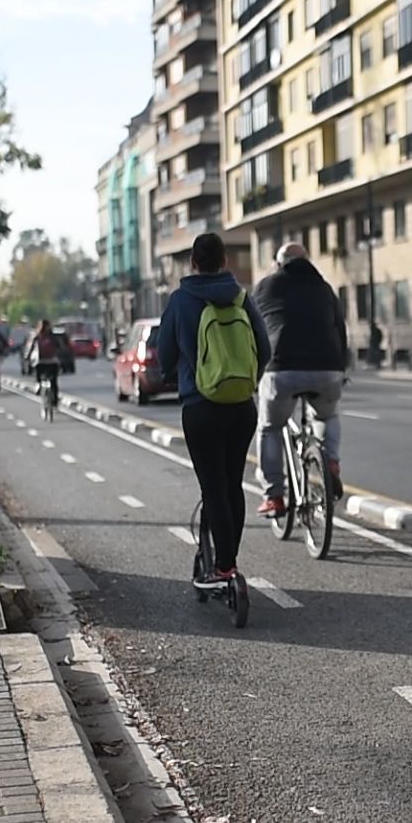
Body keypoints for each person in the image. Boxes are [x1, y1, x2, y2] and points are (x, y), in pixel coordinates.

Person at [158, 233, 271, 588]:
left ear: (193, 261)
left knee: (213, 487)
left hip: (201, 408)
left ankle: (222, 568)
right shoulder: (240, 297)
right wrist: (246, 379)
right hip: (241, 408)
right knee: (232, 484)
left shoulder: (180, 300)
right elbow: (264, 348)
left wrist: (172, 376)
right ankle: (228, 561)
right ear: (225, 262)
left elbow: (165, 355)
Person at [251, 241, 348, 517]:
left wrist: (256, 370)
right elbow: (340, 330)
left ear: (279, 263)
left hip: (282, 368)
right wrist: (342, 369)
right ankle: (330, 461)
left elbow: (253, 331)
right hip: (328, 368)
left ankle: (274, 496)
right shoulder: (325, 289)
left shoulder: (265, 287)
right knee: (327, 417)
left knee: (270, 427)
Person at [25, 319, 64, 409]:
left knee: (39, 376)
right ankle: (54, 401)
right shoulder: (53, 336)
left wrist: (27, 357)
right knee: (54, 382)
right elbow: (61, 347)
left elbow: (30, 348)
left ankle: (38, 386)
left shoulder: (37, 336)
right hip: (53, 362)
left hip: (40, 362)